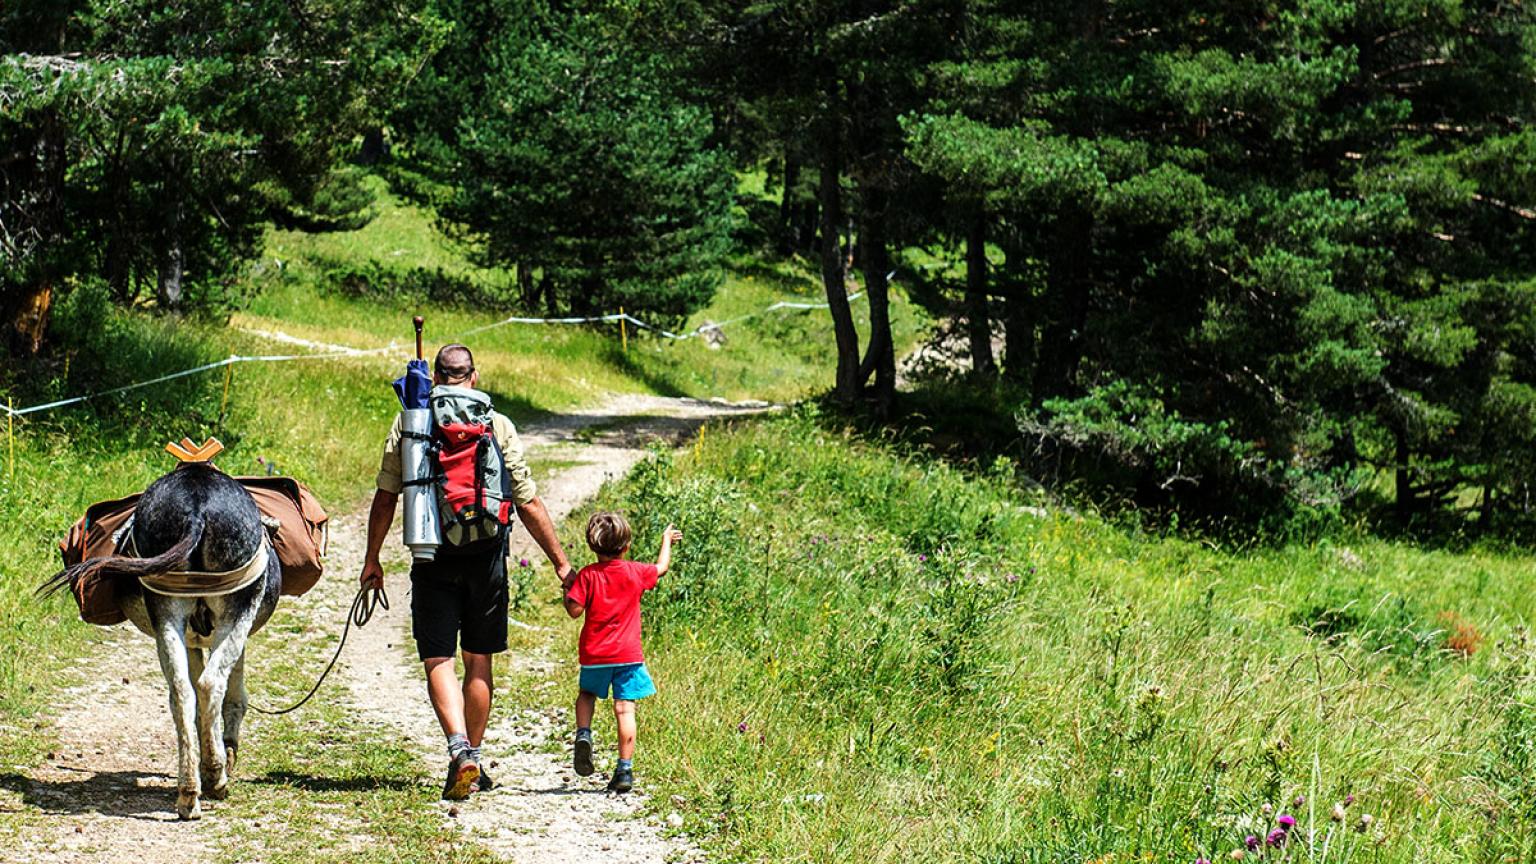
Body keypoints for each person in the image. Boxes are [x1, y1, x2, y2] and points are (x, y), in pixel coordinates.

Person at [361, 343, 576, 800]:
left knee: (437, 656)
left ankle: (458, 749)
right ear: (473, 377)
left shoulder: (412, 422)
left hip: (432, 554)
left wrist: (372, 559)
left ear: (436, 378)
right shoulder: (497, 424)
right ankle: (474, 754)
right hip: (488, 556)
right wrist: (561, 563)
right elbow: (527, 500)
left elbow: (386, 496)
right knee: (480, 658)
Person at [563, 512, 681, 794]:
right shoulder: (636, 572)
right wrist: (666, 540)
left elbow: (574, 611)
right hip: (628, 655)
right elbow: (661, 567)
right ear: (626, 546)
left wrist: (569, 589)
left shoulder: (588, 575)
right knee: (625, 709)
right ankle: (624, 770)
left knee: (586, 695)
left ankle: (584, 734)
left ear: (592, 546)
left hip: (594, 654)